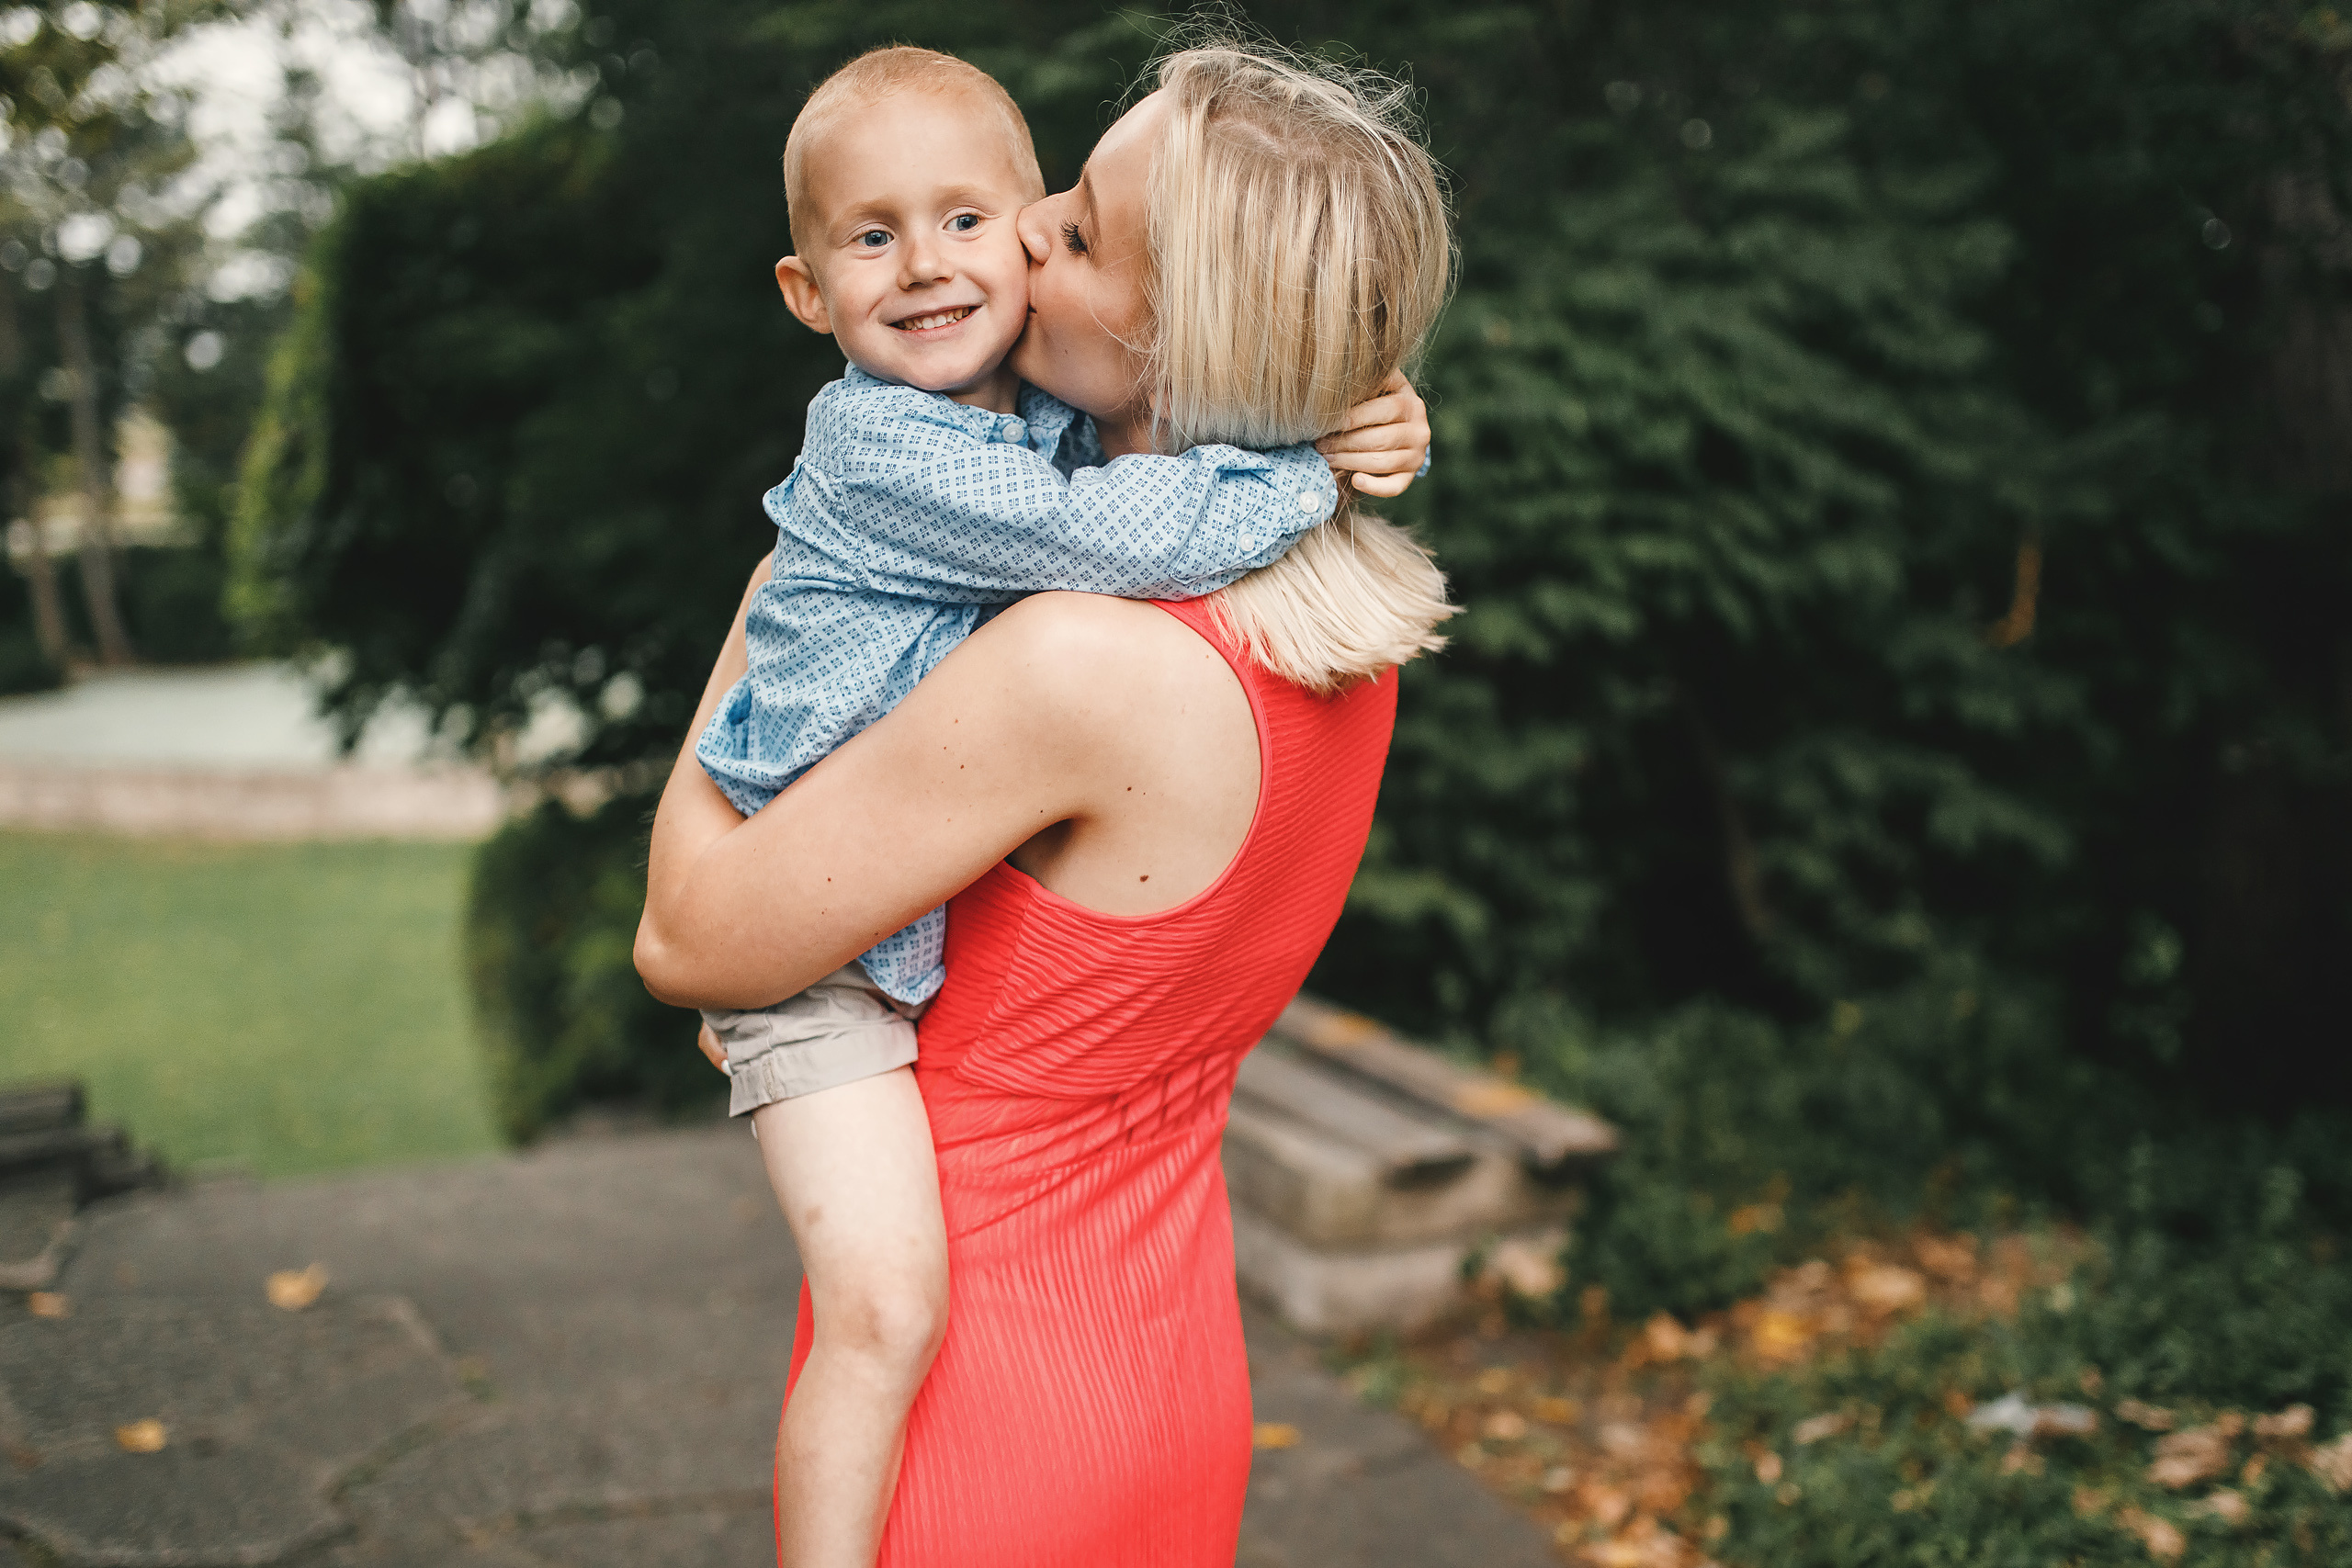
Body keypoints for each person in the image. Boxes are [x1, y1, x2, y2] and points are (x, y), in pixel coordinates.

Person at [635, 39, 1453, 1568]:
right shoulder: (1340, 632)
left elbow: (691, 942)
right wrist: (1334, 426)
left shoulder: (1078, 664)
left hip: (973, 1425)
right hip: (1171, 1380)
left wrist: (776, 580)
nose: (1015, 236)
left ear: (1169, 335)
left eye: (1068, 229)